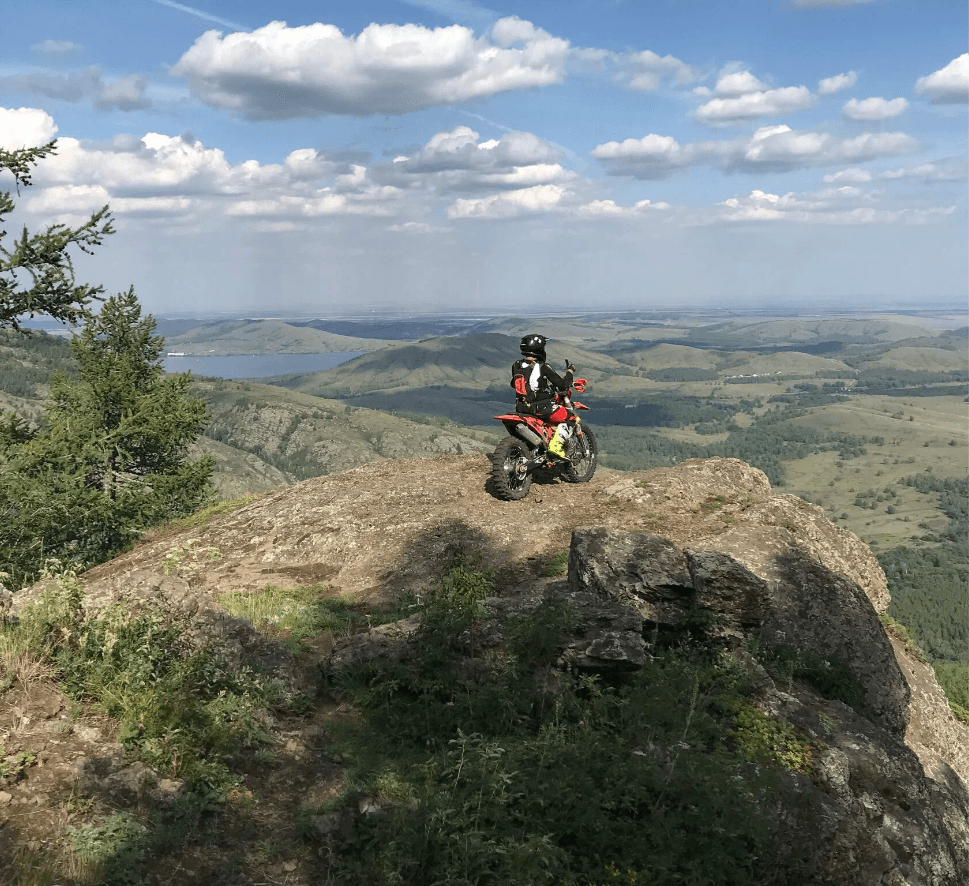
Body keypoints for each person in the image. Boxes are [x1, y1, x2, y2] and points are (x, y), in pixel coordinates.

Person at [511, 334, 575, 458]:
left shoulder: (516, 365)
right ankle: (556, 446)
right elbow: (562, 384)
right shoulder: (543, 367)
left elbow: (514, 384)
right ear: (539, 350)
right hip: (541, 409)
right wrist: (570, 372)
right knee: (570, 418)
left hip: (521, 407)